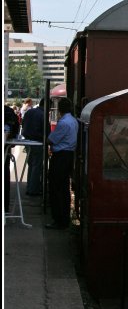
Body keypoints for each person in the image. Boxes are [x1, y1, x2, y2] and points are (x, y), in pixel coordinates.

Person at [46, 97, 78, 230]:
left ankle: (59, 219)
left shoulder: (63, 123)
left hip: (60, 156)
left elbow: (52, 139)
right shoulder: (74, 121)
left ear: (60, 109)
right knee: (64, 188)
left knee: (56, 188)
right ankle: (64, 218)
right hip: (69, 155)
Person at [22, 97, 50, 199]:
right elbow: (46, 131)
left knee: (31, 165)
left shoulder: (30, 112)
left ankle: (29, 187)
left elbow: (23, 124)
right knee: (37, 166)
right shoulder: (43, 115)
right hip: (38, 142)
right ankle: (33, 190)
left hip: (27, 141)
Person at [4, 103, 21, 214]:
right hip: (5, 149)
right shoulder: (9, 112)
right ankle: (5, 207)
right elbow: (16, 128)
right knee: (5, 178)